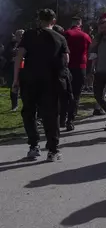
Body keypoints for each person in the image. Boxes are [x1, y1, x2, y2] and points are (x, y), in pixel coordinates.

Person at [13, 9, 69, 162]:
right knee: (51, 115)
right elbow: (66, 60)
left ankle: (33, 146)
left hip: (30, 79)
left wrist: (16, 79)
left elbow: (19, 56)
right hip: (51, 81)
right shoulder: (60, 38)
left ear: (39, 20)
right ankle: (52, 150)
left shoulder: (29, 35)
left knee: (29, 113)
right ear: (54, 21)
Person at [63, 17, 92, 131]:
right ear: (80, 24)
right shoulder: (85, 36)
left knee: (65, 93)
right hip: (81, 67)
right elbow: (90, 53)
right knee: (76, 95)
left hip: (67, 66)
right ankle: (70, 120)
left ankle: (62, 118)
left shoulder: (66, 34)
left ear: (72, 23)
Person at [4, 29, 24, 111]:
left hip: (24, 67)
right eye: (19, 35)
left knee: (25, 87)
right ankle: (14, 105)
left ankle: (26, 104)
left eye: (22, 35)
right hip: (13, 67)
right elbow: (6, 53)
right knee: (14, 86)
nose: (21, 36)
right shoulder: (12, 44)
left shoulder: (27, 43)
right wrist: (13, 52)